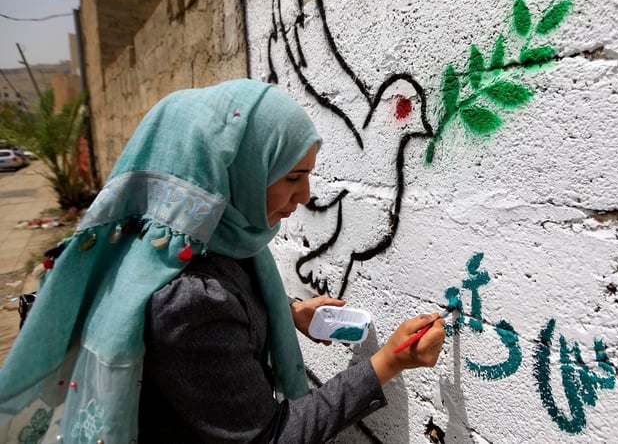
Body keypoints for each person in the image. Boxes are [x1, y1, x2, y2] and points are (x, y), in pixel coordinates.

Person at [0, 79, 445, 443]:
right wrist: (388, 363)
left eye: (308, 175)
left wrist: (288, 312)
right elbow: (271, 436)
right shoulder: (188, 300)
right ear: (232, 173)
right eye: (292, 177)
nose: (306, 196)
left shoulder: (207, 242)